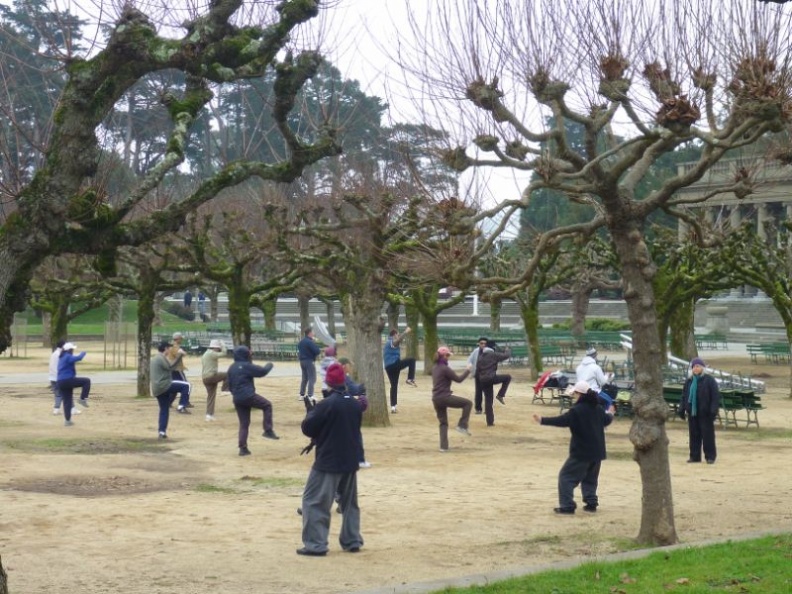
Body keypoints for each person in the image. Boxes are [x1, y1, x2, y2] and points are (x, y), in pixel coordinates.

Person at [297, 362, 364, 556]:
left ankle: (315, 544)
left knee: (313, 500)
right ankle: (352, 540)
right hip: (350, 460)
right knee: (349, 503)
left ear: (328, 383)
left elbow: (308, 428)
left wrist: (311, 412)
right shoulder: (354, 404)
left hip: (328, 461)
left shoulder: (326, 405)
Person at [533, 380, 615, 514]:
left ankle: (567, 505)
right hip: (598, 451)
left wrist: (542, 420)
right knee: (590, 479)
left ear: (579, 394)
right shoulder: (598, 408)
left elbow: (562, 421)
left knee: (566, 476)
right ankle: (591, 503)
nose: (574, 396)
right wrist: (611, 413)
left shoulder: (577, 410)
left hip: (582, 451)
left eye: (575, 394)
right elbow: (607, 420)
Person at [227, 345, 279, 456]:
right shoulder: (246, 366)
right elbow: (263, 372)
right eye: (249, 353)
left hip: (237, 398)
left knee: (244, 423)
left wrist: (236, 394)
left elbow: (229, 384)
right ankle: (268, 430)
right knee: (267, 405)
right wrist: (270, 364)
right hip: (248, 396)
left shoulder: (232, 367)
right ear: (245, 354)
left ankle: (243, 448)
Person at [679, 357, 721, 464]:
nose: (695, 369)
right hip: (692, 413)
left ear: (702, 368)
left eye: (698, 366)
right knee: (694, 435)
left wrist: (713, 410)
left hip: (705, 413)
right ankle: (695, 456)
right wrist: (682, 408)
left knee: (708, 436)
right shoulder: (689, 381)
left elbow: (715, 396)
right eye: (694, 367)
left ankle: (710, 456)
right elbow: (684, 395)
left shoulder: (709, 380)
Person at [431, 346, 473, 452]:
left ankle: (443, 447)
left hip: (436, 398)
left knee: (443, 423)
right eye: (447, 355)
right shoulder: (445, 368)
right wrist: (468, 370)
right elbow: (458, 379)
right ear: (442, 356)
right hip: (444, 397)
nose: (448, 357)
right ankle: (462, 425)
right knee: (468, 403)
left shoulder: (435, 367)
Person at [150, 340, 191, 439]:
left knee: (164, 410)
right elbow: (171, 367)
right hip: (164, 385)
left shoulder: (155, 358)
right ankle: (181, 406)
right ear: (165, 349)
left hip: (157, 389)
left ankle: (162, 432)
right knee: (187, 385)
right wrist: (179, 355)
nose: (170, 350)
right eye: (168, 348)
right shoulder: (160, 358)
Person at [338, 357, 371, 468]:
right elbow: (353, 389)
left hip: (340, 407)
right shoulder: (343, 377)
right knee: (356, 435)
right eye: (349, 365)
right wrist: (361, 389)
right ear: (344, 366)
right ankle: (360, 460)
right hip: (347, 408)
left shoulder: (338, 376)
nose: (350, 368)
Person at [476, 340, 512, 426]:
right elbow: (506, 356)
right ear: (493, 348)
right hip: (491, 378)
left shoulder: (480, 356)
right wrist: (507, 350)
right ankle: (500, 395)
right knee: (507, 377)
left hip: (482, 380)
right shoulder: (492, 354)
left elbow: (478, 369)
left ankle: (490, 422)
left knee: (488, 401)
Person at [383, 327, 417, 413]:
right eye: (397, 334)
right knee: (412, 360)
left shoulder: (389, 343)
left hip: (389, 367)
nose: (398, 336)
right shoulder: (390, 341)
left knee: (394, 386)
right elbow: (397, 341)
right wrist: (405, 332)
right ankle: (410, 378)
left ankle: (393, 407)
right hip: (393, 364)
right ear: (394, 335)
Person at [56, 342, 91, 426]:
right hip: (67, 380)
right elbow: (78, 358)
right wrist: (83, 352)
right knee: (86, 381)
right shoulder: (68, 356)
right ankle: (82, 399)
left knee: (67, 401)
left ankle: (67, 421)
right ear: (70, 350)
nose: (73, 351)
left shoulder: (62, 357)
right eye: (72, 349)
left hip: (60, 382)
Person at [201, 338, 228, 421]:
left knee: (211, 396)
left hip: (205, 378)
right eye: (218, 348)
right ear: (215, 347)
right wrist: (223, 344)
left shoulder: (205, 354)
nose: (218, 349)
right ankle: (225, 390)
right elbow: (224, 353)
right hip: (211, 376)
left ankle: (209, 414)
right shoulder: (212, 353)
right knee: (228, 374)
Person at [297, 328, 322, 405]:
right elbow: (317, 351)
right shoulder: (310, 341)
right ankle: (310, 395)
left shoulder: (301, 342)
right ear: (310, 333)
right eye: (313, 332)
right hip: (309, 361)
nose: (314, 333)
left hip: (302, 361)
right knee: (312, 378)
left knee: (304, 378)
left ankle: (301, 395)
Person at [169, 332, 192, 412]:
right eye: (181, 338)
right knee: (186, 385)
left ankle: (169, 402)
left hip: (174, 369)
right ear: (178, 338)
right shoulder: (175, 346)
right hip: (178, 369)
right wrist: (182, 352)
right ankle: (184, 403)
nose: (181, 340)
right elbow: (181, 354)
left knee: (176, 387)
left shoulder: (172, 345)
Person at [466, 337, 491, 414]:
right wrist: (469, 365)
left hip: (486, 375)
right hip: (478, 374)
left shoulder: (490, 351)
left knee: (487, 392)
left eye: (485, 343)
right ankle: (478, 409)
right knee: (478, 392)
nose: (483, 345)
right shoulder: (476, 351)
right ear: (478, 344)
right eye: (481, 343)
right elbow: (470, 360)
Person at [48, 339, 66, 415]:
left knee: (59, 394)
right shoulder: (60, 354)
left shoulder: (54, 353)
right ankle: (57, 409)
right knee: (63, 393)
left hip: (52, 377)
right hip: (59, 377)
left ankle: (71, 408)